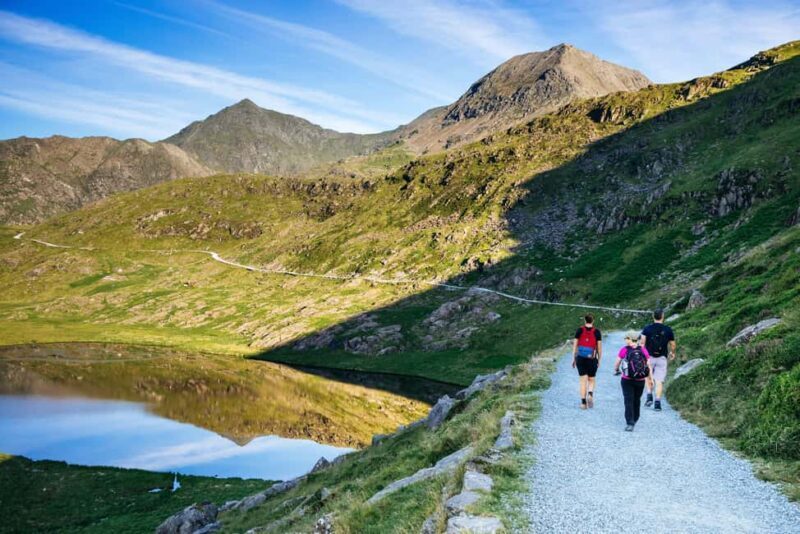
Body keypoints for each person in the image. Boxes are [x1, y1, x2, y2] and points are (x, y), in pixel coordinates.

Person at [614, 332, 653, 431]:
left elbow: (617, 363)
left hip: (627, 379)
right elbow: (648, 366)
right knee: (637, 400)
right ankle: (635, 419)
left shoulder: (624, 350)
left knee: (628, 400)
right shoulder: (643, 350)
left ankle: (630, 423)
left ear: (630, 339)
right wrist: (650, 379)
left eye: (625, 338)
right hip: (640, 380)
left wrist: (616, 370)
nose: (624, 340)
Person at [641, 308, 676, 411]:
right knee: (659, 381)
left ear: (653, 316)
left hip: (649, 358)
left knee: (648, 377)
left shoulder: (647, 328)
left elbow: (642, 344)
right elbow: (673, 344)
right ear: (663, 316)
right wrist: (672, 353)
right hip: (662, 358)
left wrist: (643, 355)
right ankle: (657, 403)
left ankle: (649, 396)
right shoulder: (668, 329)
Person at [571, 313, 602, 409]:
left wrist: (574, 358)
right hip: (592, 359)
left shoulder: (579, 330)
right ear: (593, 321)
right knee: (591, 379)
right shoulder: (597, 332)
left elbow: (575, 346)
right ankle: (590, 394)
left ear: (585, 320)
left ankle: (583, 403)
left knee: (582, 381)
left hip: (580, 358)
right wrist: (599, 360)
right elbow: (599, 348)